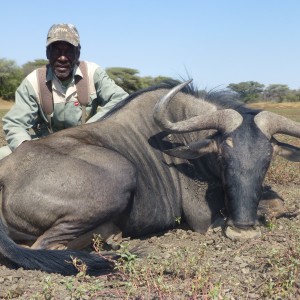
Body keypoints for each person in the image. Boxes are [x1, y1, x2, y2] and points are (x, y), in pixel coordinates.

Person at [0, 23, 128, 159]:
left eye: (68, 50)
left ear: (78, 52)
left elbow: (121, 100)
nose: (62, 57)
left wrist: (89, 129)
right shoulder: (33, 82)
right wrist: (28, 151)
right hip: (45, 147)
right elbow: (15, 123)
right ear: (47, 53)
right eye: (56, 50)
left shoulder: (92, 73)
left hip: (87, 144)